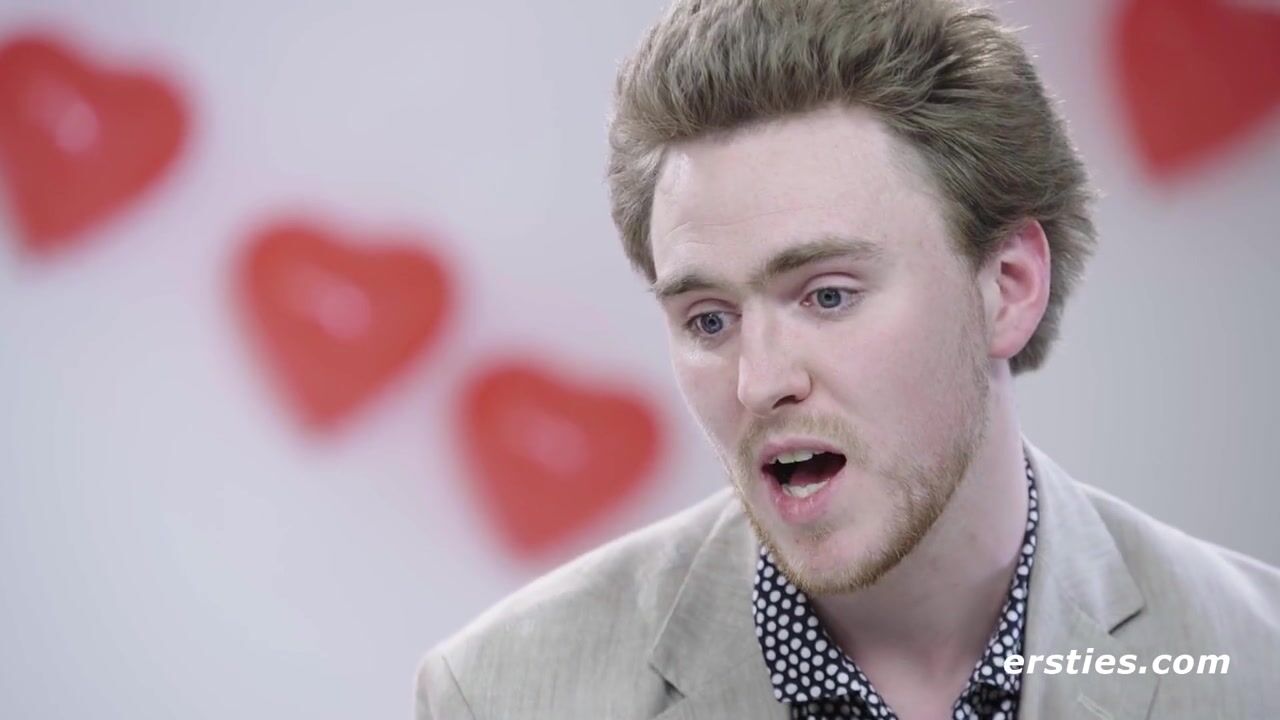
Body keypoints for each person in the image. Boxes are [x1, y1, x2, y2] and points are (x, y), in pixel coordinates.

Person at [414, 1, 1280, 718]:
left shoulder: (1256, 662)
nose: (760, 382)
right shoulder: (499, 695)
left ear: (1008, 287)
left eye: (828, 296)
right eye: (709, 319)